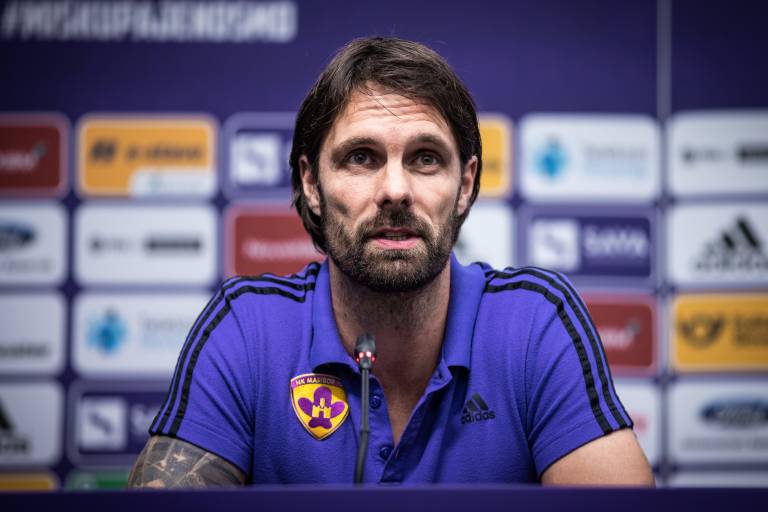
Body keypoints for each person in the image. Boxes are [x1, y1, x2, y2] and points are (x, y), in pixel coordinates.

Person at [128, 36, 654, 488]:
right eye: (361, 157)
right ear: (311, 183)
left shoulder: (534, 323)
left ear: (465, 184)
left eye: (425, 158)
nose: (396, 190)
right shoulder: (248, 329)